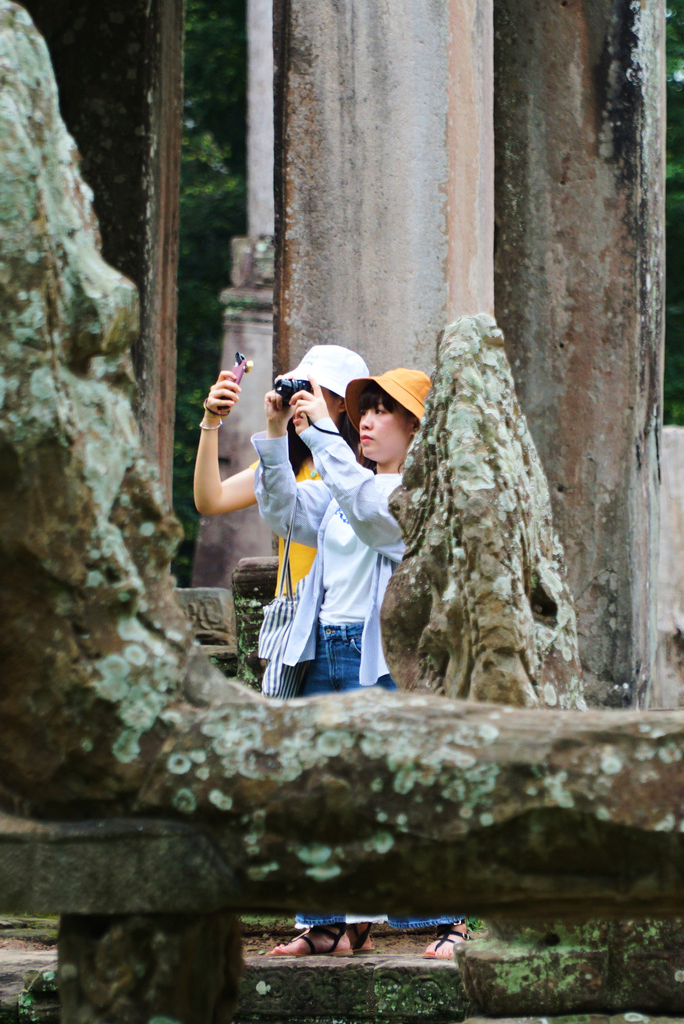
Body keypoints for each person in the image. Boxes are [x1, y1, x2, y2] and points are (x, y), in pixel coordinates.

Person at [255, 366, 469, 960]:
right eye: (363, 410)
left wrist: (323, 435)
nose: (366, 421)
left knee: (408, 791)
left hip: (381, 659)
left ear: (415, 428)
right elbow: (283, 512)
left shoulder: (419, 498)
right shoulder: (343, 484)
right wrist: (276, 434)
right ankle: (323, 923)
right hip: (324, 646)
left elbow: (373, 512)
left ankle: (454, 920)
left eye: (382, 411)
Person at [192, 345, 369, 589]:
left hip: (344, 614)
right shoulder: (285, 463)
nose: (298, 400)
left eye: (310, 390)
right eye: (297, 388)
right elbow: (211, 500)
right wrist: (211, 418)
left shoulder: (366, 464)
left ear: (342, 403)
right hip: (292, 614)